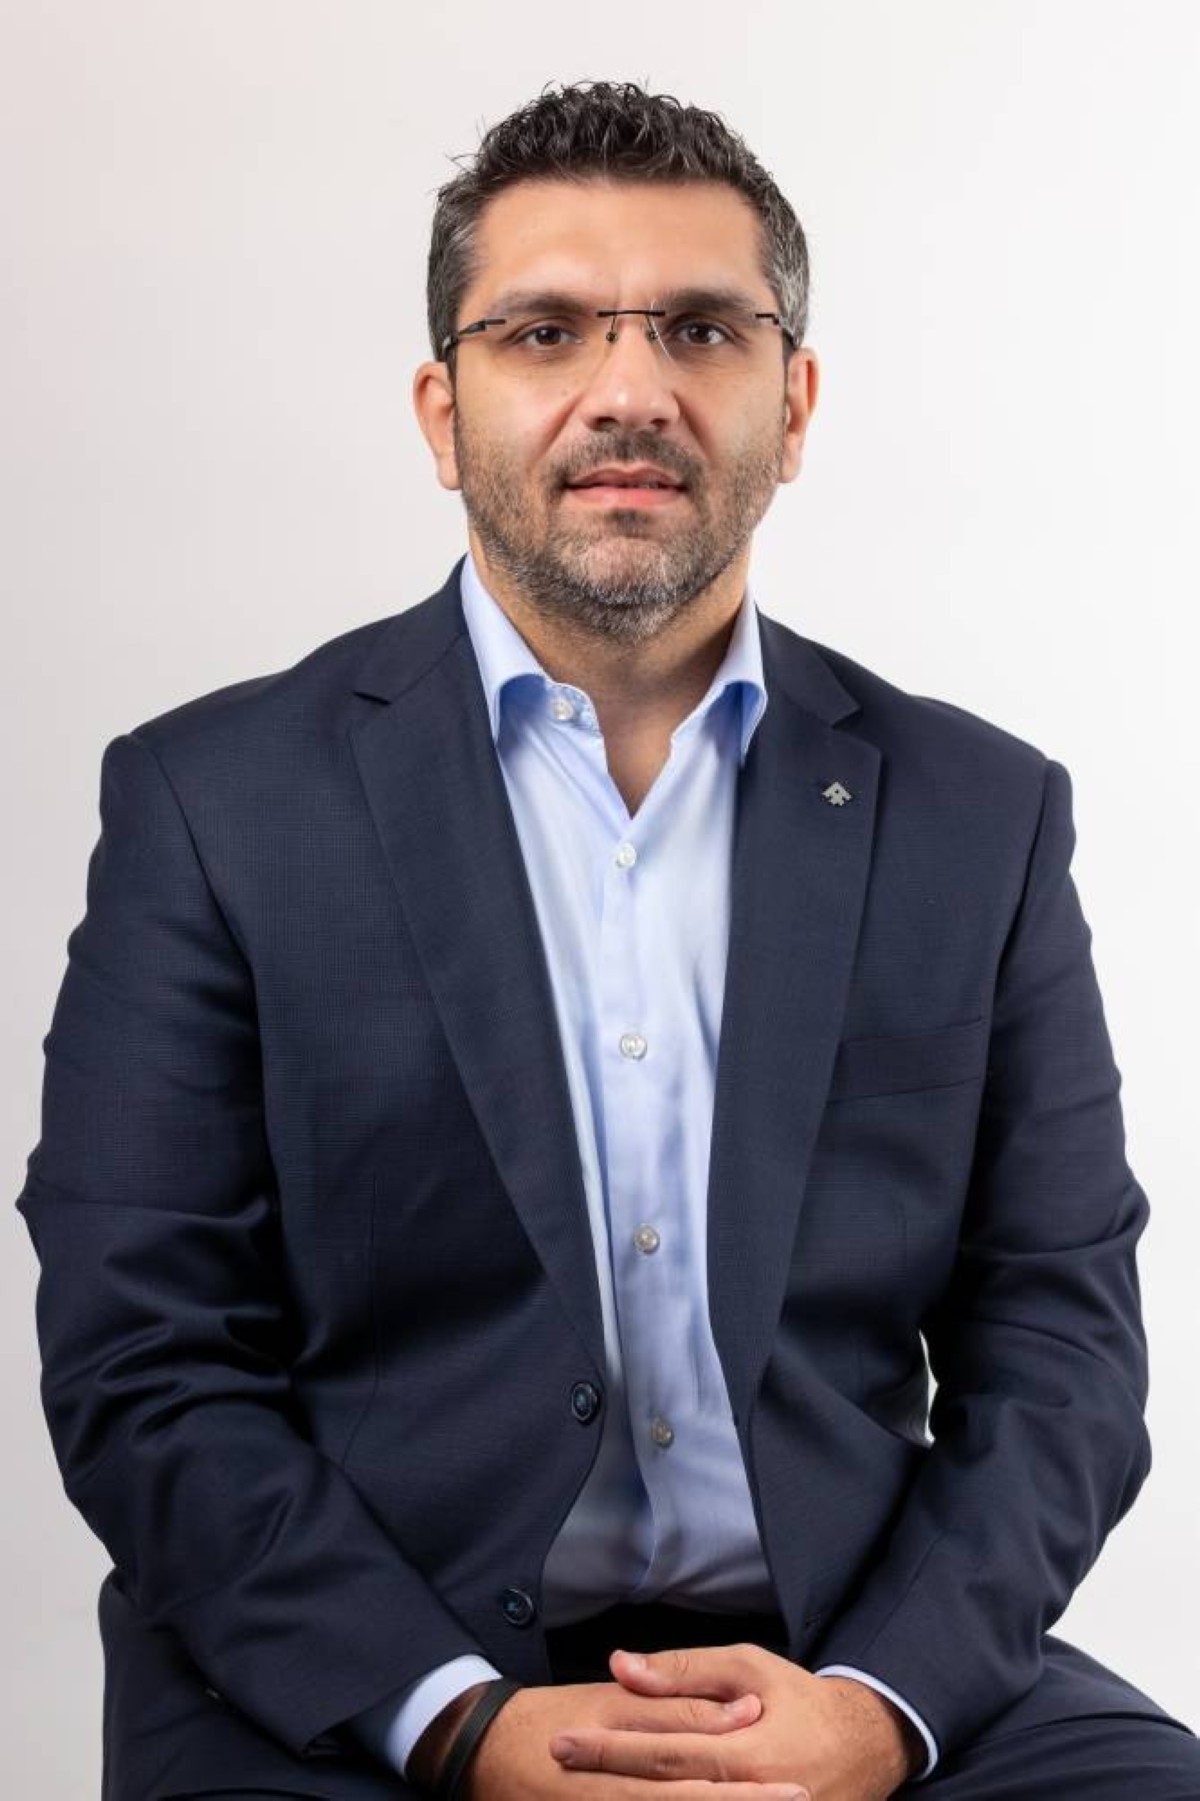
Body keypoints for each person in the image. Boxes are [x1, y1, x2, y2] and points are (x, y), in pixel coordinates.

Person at [17, 78, 1199, 1801]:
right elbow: (143, 1357)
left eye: (702, 330)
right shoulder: (213, 803)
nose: (630, 390)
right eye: (546, 330)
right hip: (359, 1675)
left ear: (794, 404)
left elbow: (1063, 1346)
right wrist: (455, 1718)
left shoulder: (980, 815)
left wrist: (877, 1707)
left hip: (842, 1650)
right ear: (444, 410)